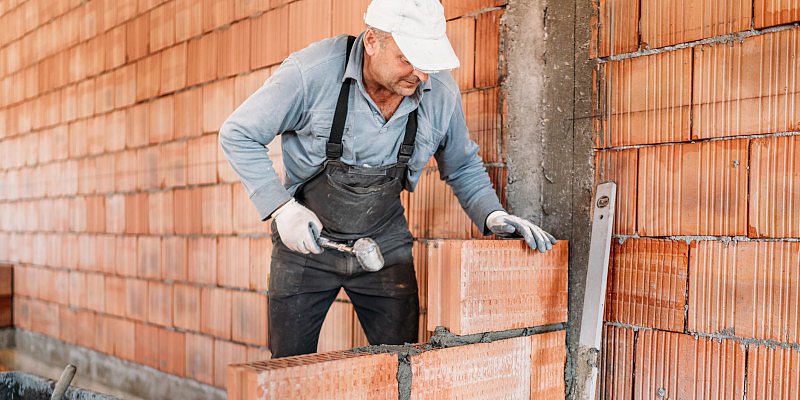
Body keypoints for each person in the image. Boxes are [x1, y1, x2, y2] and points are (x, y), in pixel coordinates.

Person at [219, 0, 557, 358]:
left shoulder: (439, 91)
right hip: (307, 244)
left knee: (401, 366)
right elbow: (238, 133)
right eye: (409, 59)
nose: (422, 74)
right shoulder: (312, 73)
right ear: (371, 42)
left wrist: (492, 216)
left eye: (427, 62)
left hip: (384, 243)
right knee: (289, 370)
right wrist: (282, 209)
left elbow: (461, 165)